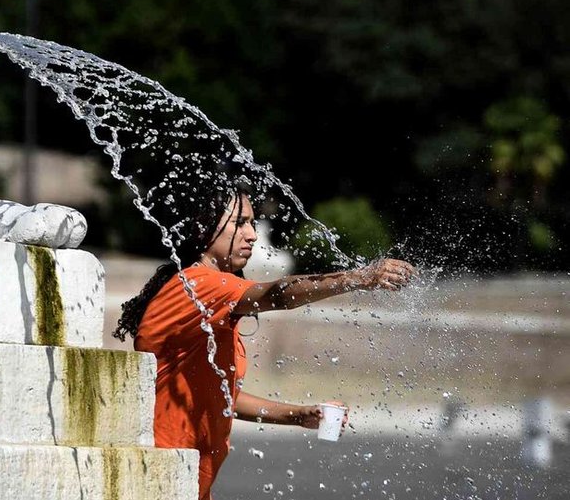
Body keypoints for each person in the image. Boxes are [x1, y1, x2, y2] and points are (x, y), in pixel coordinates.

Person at [113, 180, 416, 500]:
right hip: (158, 480)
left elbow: (226, 396)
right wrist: (358, 278)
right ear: (204, 227)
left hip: (185, 482)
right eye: (240, 223)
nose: (253, 235)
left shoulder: (209, 298)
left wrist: (298, 415)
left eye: (253, 223)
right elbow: (279, 295)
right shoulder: (197, 284)